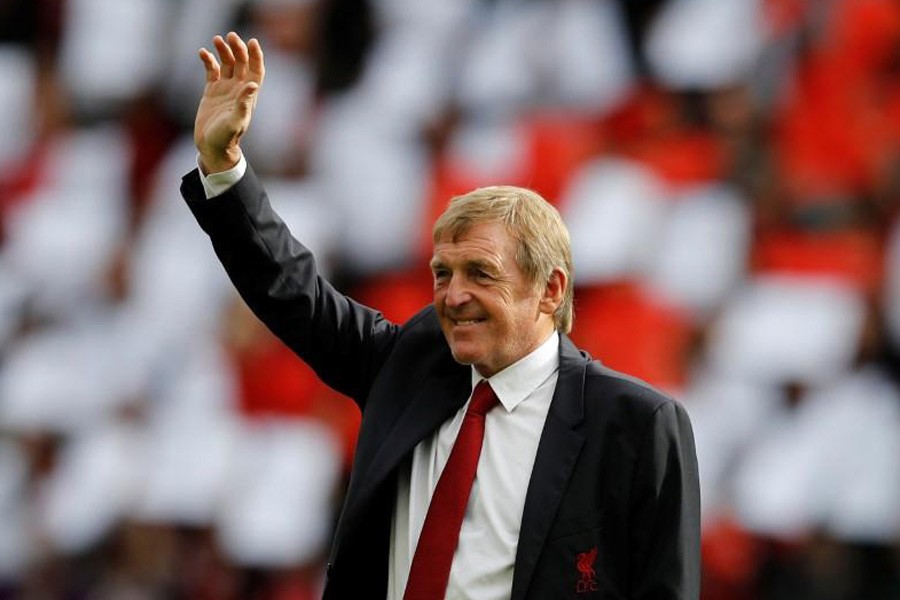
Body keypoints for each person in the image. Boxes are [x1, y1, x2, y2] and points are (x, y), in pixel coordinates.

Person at [180, 32, 700, 600]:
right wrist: (223, 166)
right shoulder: (411, 365)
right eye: (442, 273)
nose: (452, 295)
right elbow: (292, 290)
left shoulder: (632, 424)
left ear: (550, 289)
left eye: (480, 273)